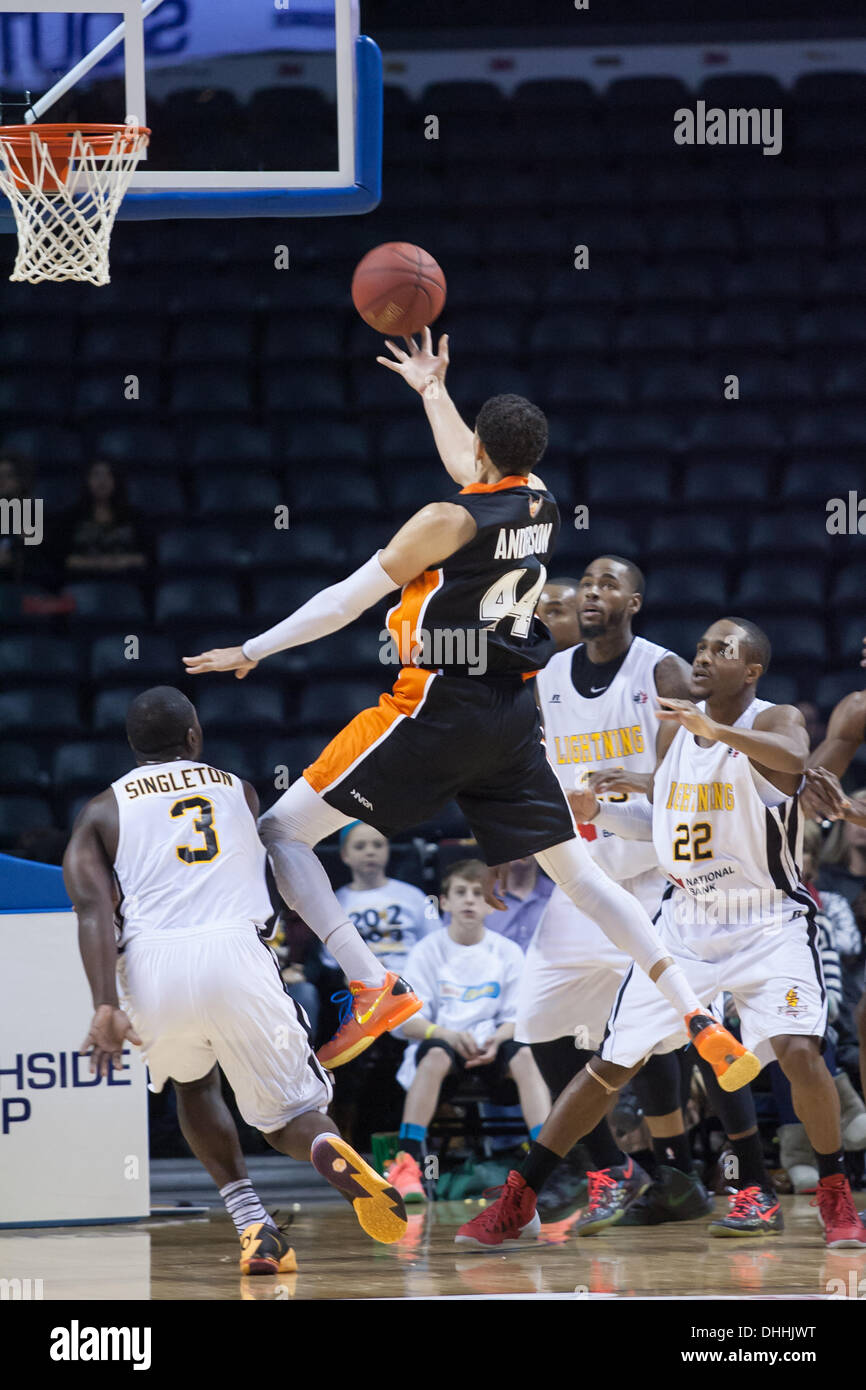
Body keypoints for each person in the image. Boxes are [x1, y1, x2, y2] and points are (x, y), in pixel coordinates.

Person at [182, 330, 753, 1092]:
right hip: (512, 715)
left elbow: (346, 602)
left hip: (435, 704)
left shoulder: (441, 520)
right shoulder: (541, 498)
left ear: (484, 447)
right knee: (579, 879)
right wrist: (431, 390)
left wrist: (255, 647)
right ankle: (696, 1016)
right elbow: (476, 470)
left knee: (280, 832)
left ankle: (370, 983)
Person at [456, 617, 866, 1250]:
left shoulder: (771, 717)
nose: (703, 657)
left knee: (798, 1051)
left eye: (721, 650)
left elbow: (792, 760)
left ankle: (836, 1194)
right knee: (609, 1065)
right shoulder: (678, 742)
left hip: (768, 919)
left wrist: (715, 730)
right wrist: (605, 811)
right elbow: (665, 823)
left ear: (751, 668)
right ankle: (520, 1195)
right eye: (700, 647)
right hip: (685, 920)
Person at [62, 686, 408, 1274]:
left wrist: (103, 1005)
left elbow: (94, 911)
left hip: (151, 967)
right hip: (235, 953)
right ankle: (326, 1146)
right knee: (289, 1118)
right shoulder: (238, 789)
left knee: (193, 1087)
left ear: (129, 746)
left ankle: (253, 1225)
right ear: (194, 736)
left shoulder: (101, 809)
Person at [517, 566, 761, 1232]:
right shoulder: (549, 676)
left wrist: (615, 797)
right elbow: (535, 769)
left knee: (685, 1032)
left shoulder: (663, 673)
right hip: (584, 876)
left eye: (606, 583)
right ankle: (618, 1172)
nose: (591, 592)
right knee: (538, 1024)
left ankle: (739, 1178)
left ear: (633, 602)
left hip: (657, 874)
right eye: (585, 583)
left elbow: (689, 781)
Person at [384, 859, 550, 1201]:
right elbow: (403, 1021)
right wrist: (446, 1035)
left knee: (525, 1054)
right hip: (446, 1050)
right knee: (433, 1056)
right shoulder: (426, 951)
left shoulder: (507, 952)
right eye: (460, 892)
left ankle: (547, 1163)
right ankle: (408, 1164)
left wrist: (499, 1038)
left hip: (493, 1047)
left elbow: (524, 1016)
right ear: (444, 902)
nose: (470, 900)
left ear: (492, 903)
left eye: (479, 893)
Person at [62, 459, 147, 574]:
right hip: (81, 583)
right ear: (87, 480)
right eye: (96, 474)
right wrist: (100, 563)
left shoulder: (135, 517)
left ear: (116, 480)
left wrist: (120, 562)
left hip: (126, 582)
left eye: (108, 475)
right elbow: (64, 560)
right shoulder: (70, 517)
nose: (102, 481)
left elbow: (144, 558)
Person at [481, 856, 553, 954]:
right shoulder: (478, 894)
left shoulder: (558, 895)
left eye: (525, 841)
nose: (517, 846)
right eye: (510, 841)